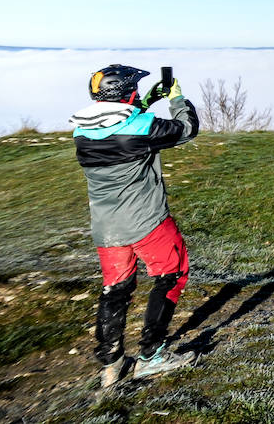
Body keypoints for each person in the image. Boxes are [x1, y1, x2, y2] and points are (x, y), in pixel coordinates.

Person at [69, 64, 200, 388]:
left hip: (106, 229)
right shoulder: (139, 127)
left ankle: (111, 365)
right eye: (135, 90)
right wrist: (175, 97)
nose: (138, 94)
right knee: (172, 275)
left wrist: (148, 101)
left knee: (116, 290)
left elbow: (119, 123)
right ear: (125, 91)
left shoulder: (82, 130)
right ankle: (151, 356)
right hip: (146, 223)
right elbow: (186, 128)